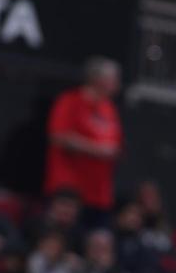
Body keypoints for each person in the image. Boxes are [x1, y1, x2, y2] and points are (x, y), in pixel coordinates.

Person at [45, 58, 124, 211]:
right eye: (113, 79)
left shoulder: (109, 108)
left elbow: (115, 146)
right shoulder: (70, 101)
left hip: (98, 194)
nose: (117, 85)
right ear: (97, 79)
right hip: (67, 191)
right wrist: (97, 150)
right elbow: (58, 137)